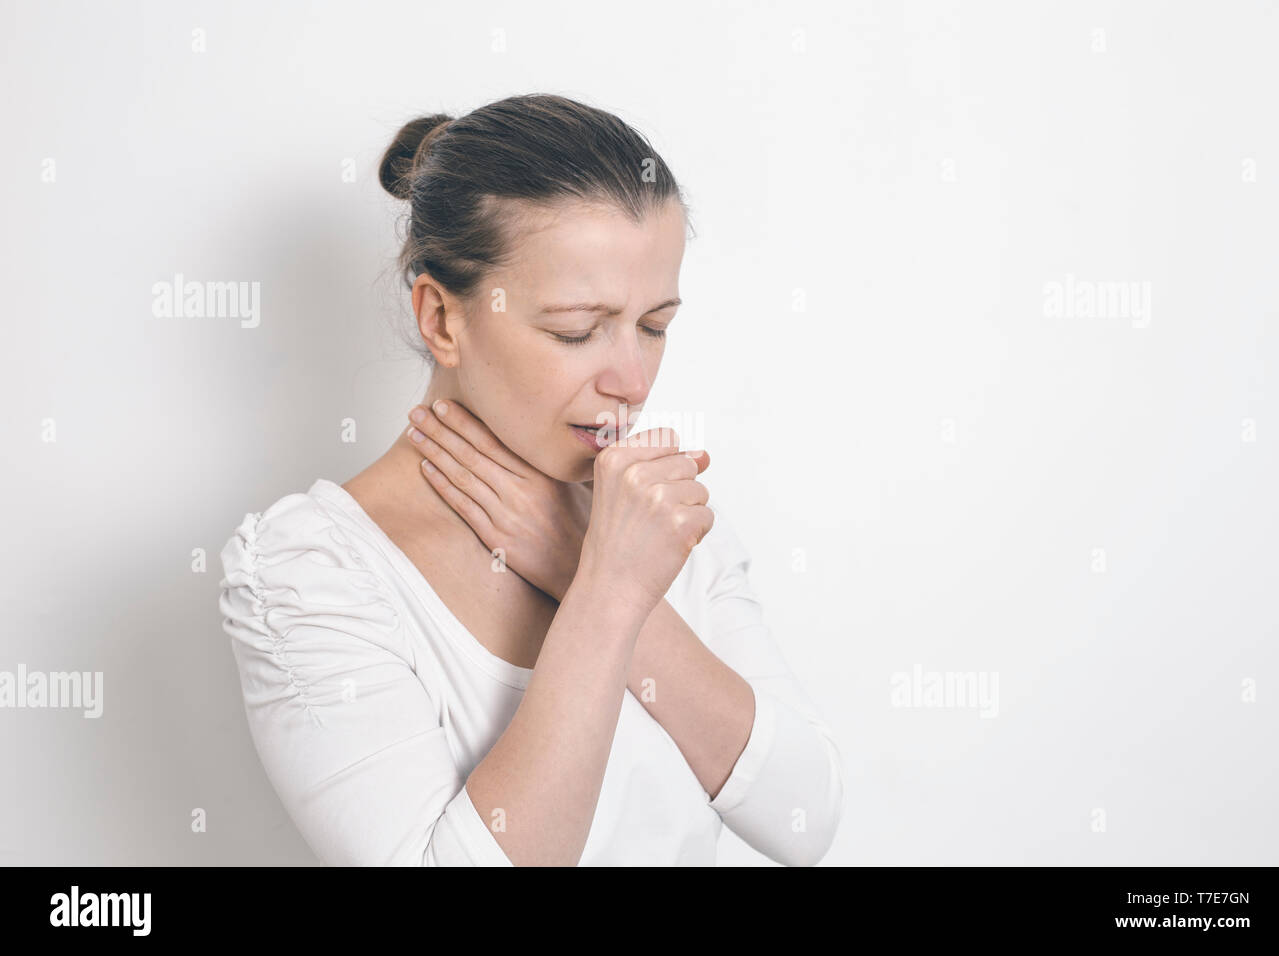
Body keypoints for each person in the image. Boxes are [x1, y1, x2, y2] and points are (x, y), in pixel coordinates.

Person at [218, 93, 844, 866]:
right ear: (442, 319)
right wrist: (605, 593)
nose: (631, 379)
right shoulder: (313, 571)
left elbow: (805, 817)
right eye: (576, 331)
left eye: (655, 326)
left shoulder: (653, 518)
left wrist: (582, 562)